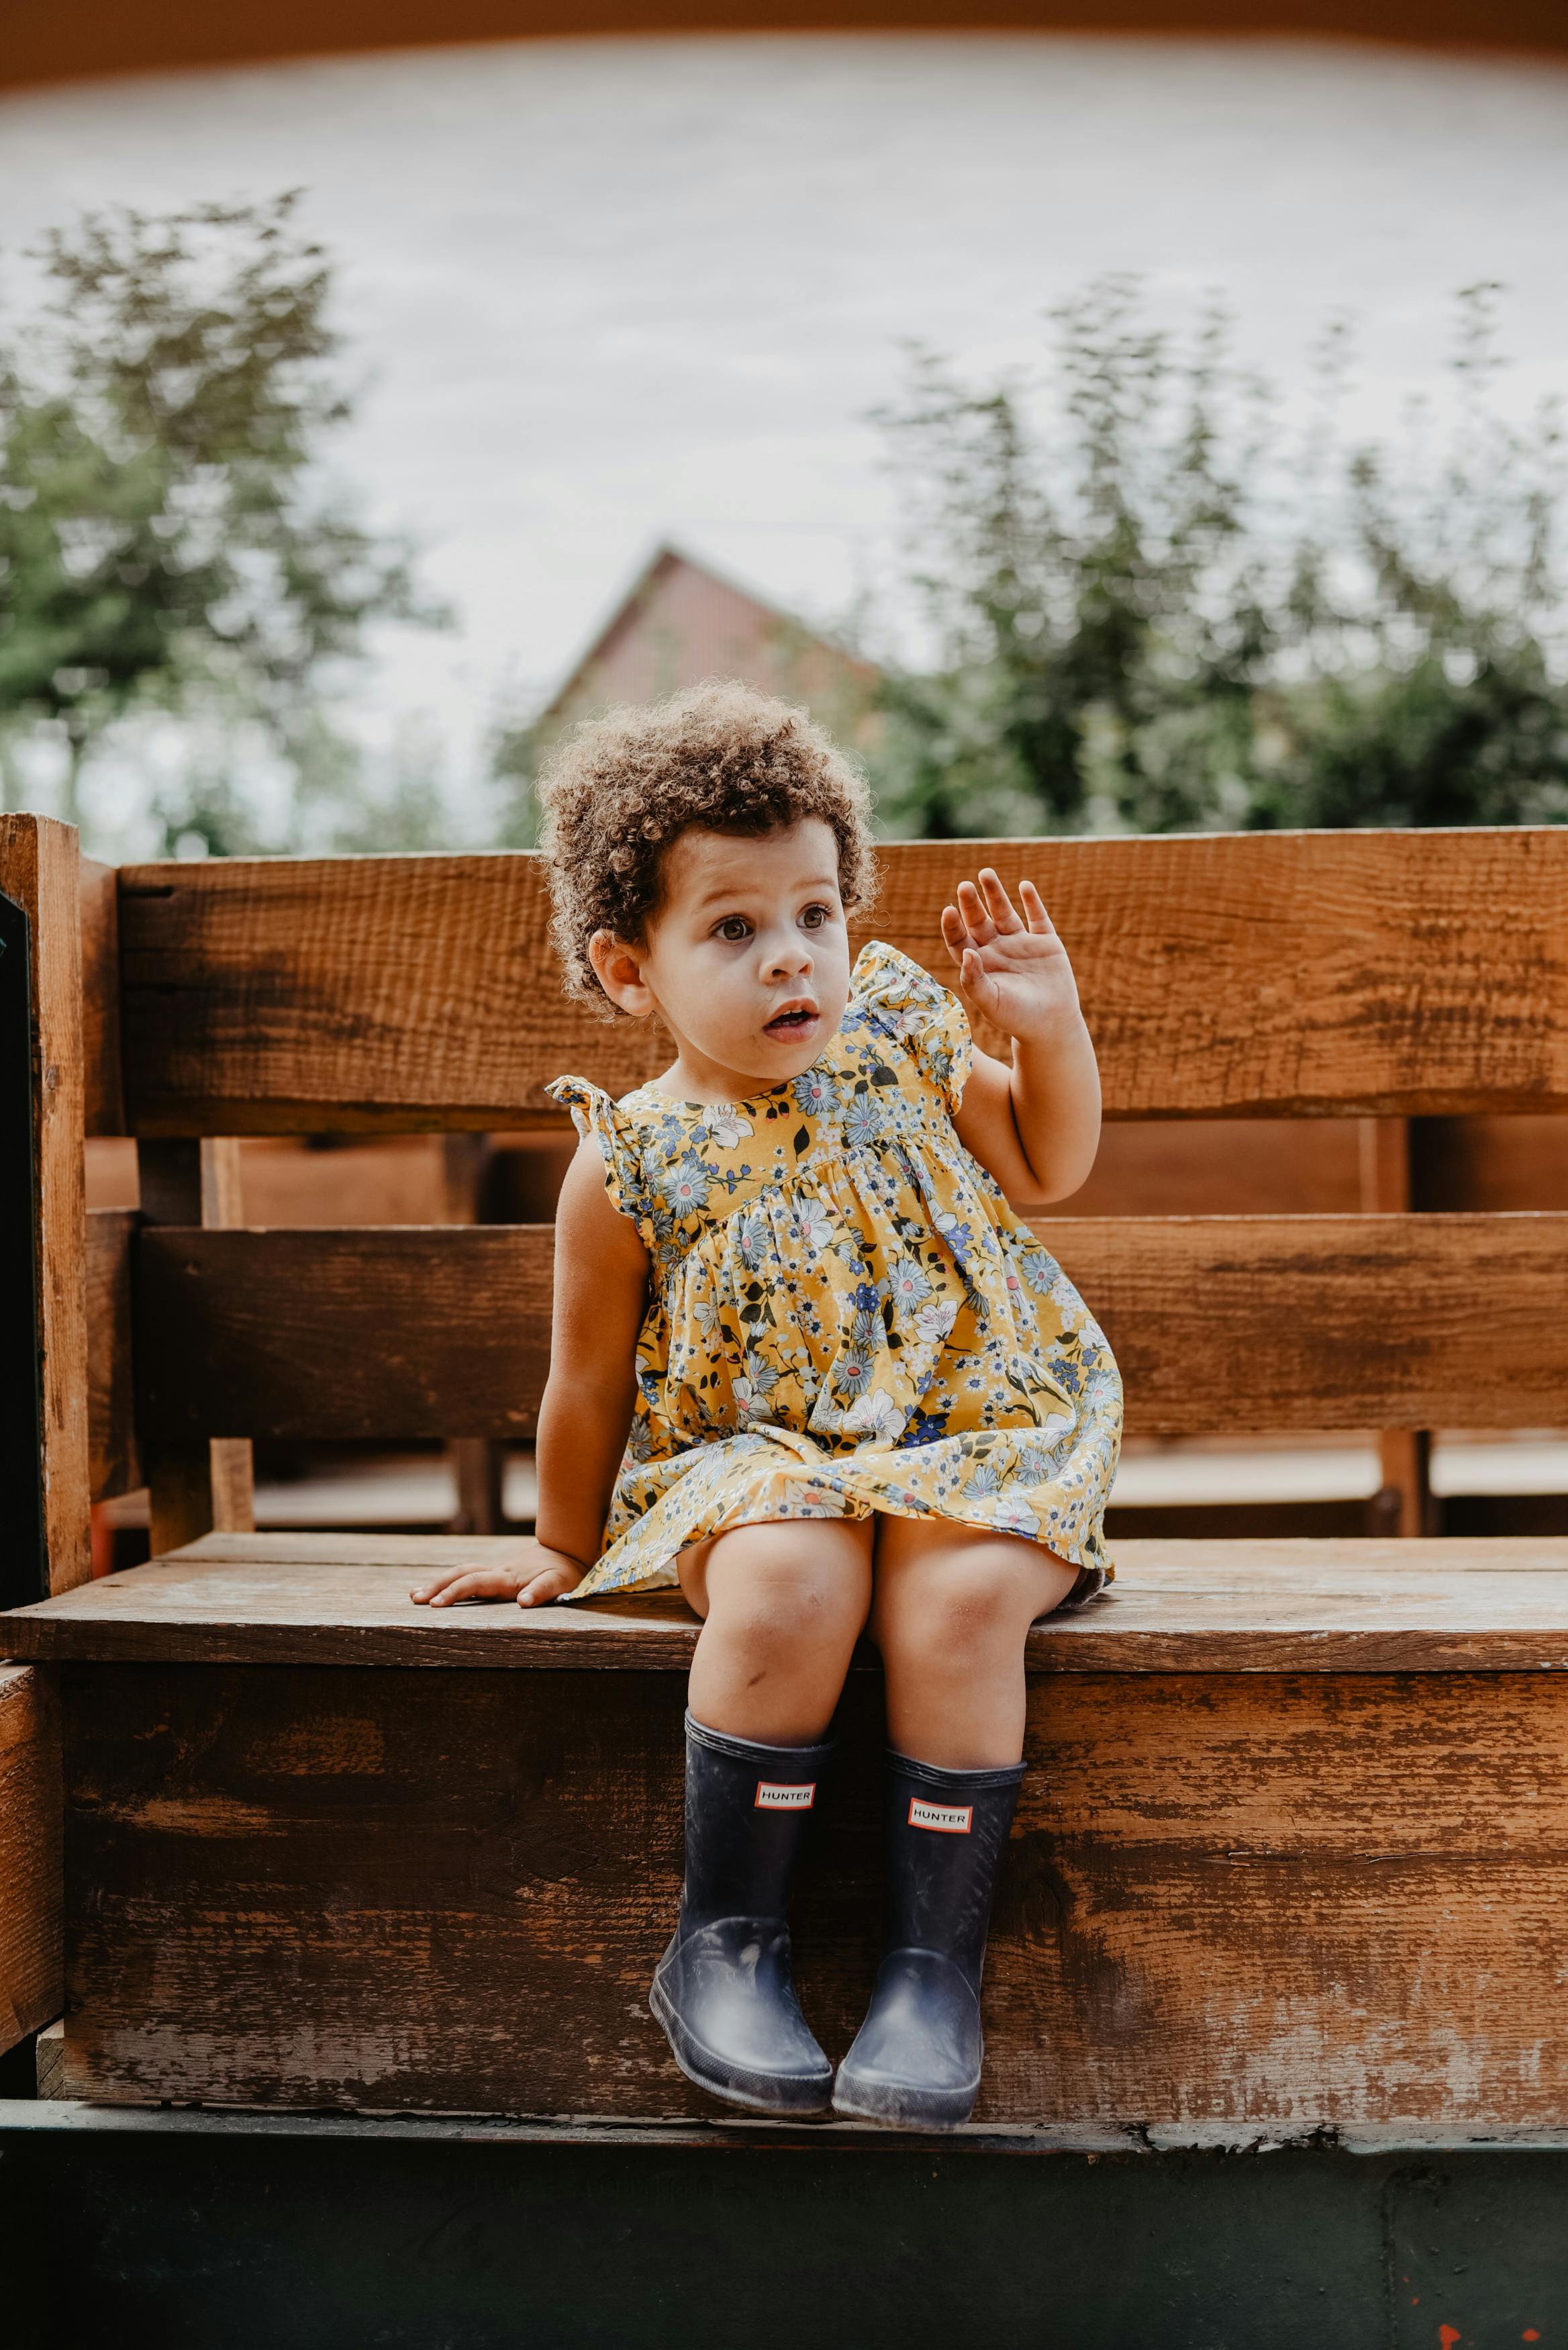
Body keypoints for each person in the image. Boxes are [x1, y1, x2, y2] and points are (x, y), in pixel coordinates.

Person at [411, 682, 1122, 2128]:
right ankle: (725, 1943)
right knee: (791, 1581)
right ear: (630, 972)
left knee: (956, 1602)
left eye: (816, 915)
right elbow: (586, 1375)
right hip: (759, 1464)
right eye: (733, 930)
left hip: (981, 1427)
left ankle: (932, 1969)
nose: (792, 959)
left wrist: (1047, 1031)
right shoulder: (632, 1165)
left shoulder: (905, 1038)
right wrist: (560, 1545)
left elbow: (1048, 1163)